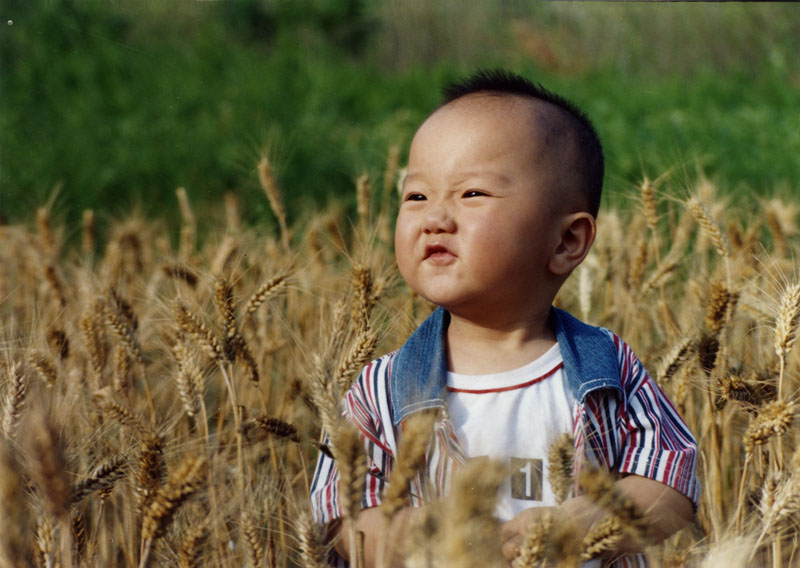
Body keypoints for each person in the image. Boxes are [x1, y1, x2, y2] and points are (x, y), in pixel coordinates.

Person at [310, 69, 698, 567]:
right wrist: (411, 535)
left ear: (567, 241)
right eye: (416, 196)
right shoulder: (382, 387)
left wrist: (584, 522)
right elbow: (341, 511)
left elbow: (673, 478)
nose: (435, 217)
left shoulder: (606, 367)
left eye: (472, 194)